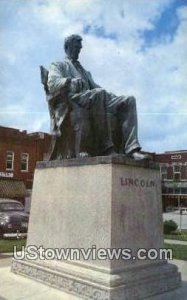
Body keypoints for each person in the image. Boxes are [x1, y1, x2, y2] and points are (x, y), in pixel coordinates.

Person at [47, 34, 148, 160]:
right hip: (74, 100)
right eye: (76, 47)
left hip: (93, 98)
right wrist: (69, 81)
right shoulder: (58, 65)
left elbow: (96, 87)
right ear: (67, 47)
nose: (79, 49)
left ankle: (132, 149)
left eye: (80, 47)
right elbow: (52, 83)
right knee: (99, 94)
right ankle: (106, 148)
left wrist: (113, 98)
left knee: (129, 100)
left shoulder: (84, 70)